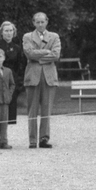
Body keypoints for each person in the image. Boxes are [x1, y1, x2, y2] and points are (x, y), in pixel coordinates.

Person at [23, 11, 61, 148]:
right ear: (33, 23)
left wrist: (38, 58)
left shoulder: (54, 36)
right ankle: (32, 139)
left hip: (49, 77)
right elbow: (29, 53)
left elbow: (56, 55)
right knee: (32, 110)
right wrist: (46, 52)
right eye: (37, 22)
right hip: (33, 76)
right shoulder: (27, 36)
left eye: (42, 22)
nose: (40, 24)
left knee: (46, 110)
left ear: (47, 21)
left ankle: (44, 138)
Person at [0, 20, 25, 129]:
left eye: (11, 30)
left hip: (10, 80)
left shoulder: (17, 48)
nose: (9, 33)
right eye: (6, 31)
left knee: (10, 110)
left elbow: (20, 66)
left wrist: (18, 82)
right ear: (1, 32)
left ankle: (7, 135)